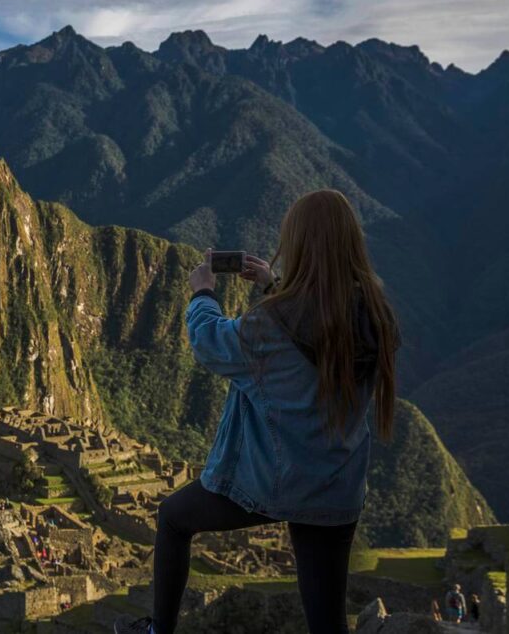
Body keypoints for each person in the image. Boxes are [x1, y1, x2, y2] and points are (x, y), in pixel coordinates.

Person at [114, 189, 401, 634]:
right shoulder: (373, 314)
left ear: (298, 244)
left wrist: (202, 294)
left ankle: (159, 631)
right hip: (334, 485)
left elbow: (212, 343)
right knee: (327, 621)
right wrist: (273, 286)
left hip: (273, 482)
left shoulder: (271, 324)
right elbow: (320, 329)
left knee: (173, 518)